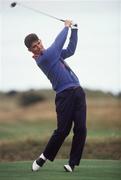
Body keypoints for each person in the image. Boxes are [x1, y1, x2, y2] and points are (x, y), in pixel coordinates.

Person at [24, 20, 87, 172]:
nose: (38, 46)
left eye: (38, 43)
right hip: (64, 96)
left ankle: (72, 164)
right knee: (62, 131)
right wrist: (66, 26)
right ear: (31, 51)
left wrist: (75, 30)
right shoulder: (43, 59)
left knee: (81, 129)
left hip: (78, 91)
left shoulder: (53, 54)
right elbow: (58, 43)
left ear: (40, 41)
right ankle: (43, 157)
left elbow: (70, 50)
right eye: (34, 46)